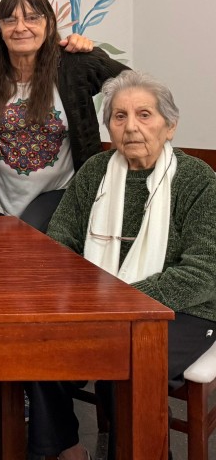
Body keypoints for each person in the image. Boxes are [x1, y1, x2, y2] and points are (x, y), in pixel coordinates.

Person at [27, 71, 216, 460]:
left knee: (124, 364)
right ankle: (67, 449)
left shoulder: (198, 180)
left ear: (170, 126)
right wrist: (88, 299)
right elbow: (59, 244)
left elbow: (203, 271)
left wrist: (120, 301)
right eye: (119, 116)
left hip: (186, 310)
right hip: (99, 302)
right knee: (39, 350)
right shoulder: (96, 171)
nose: (131, 127)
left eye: (144, 114)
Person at [0, 0, 128, 228]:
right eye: (10, 20)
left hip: (60, 196)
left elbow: (134, 89)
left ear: (48, 24)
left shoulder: (74, 63)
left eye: (32, 18)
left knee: (29, 246)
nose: (20, 27)